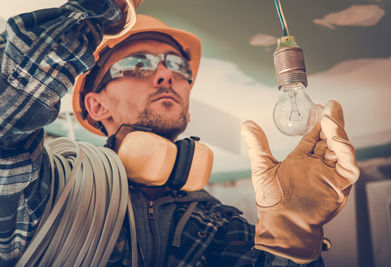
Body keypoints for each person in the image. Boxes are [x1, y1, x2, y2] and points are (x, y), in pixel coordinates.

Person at [0, 0, 359, 266]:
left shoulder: (221, 224)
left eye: (176, 65)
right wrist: (103, 9)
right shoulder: (47, 192)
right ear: (96, 106)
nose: (165, 74)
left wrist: (293, 240)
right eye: (136, 63)